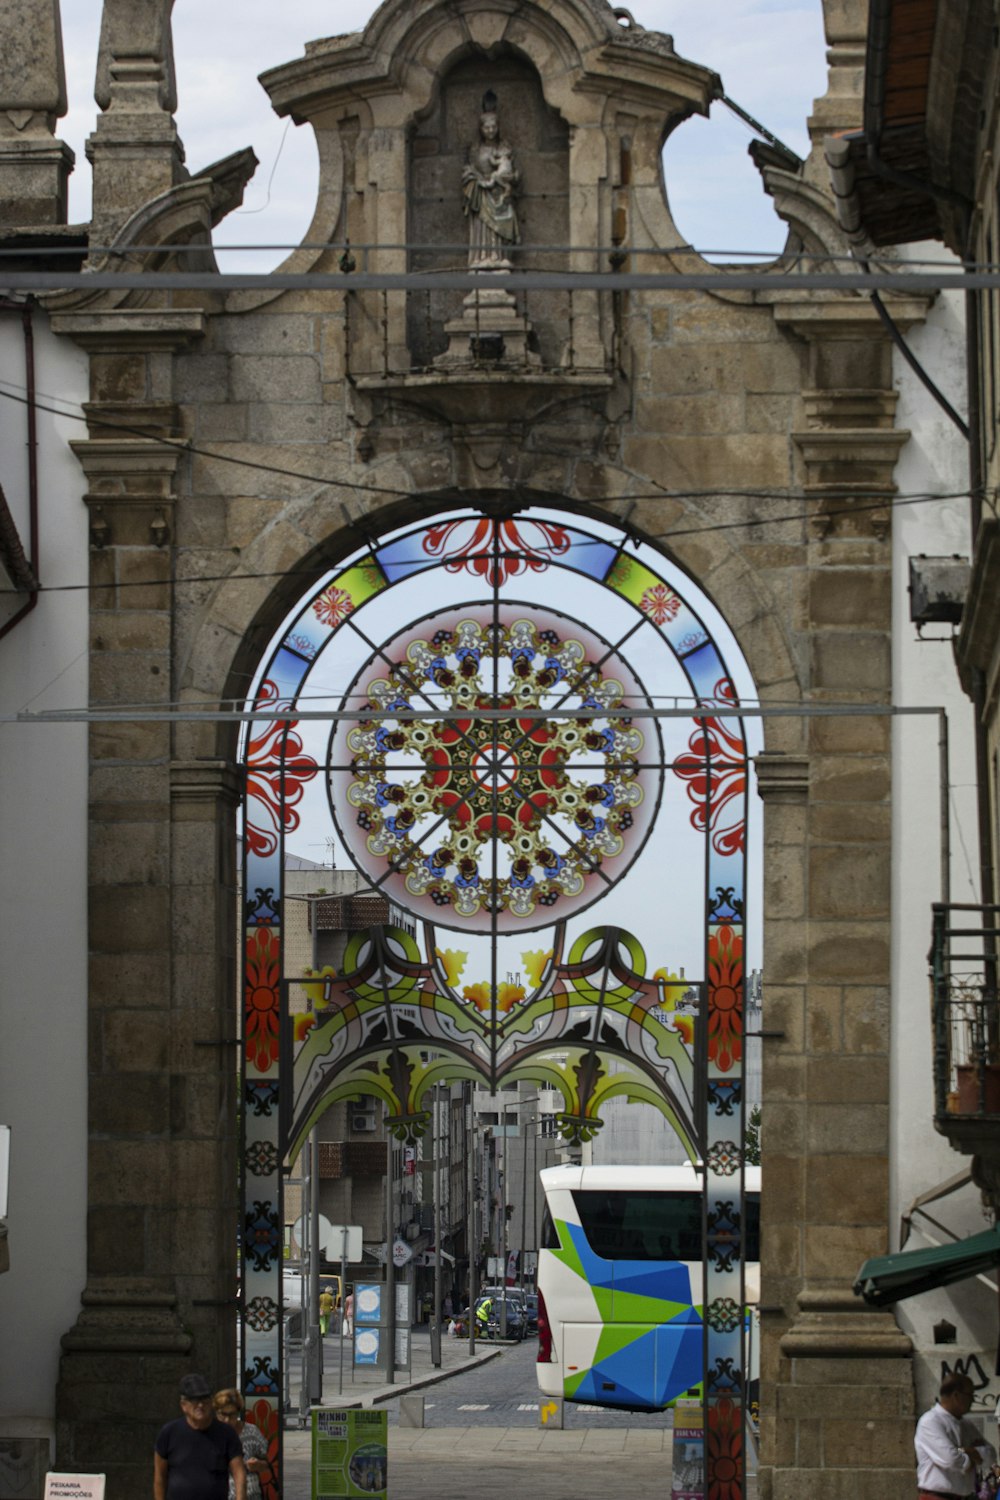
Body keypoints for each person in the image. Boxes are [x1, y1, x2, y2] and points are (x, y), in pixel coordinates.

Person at [154, 1373, 246, 1500]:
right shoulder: (169, 1433)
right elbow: (160, 1477)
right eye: (194, 1401)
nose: (200, 1405)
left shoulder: (227, 1434)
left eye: (205, 1400)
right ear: (183, 1405)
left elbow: (239, 1472)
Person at [915, 1373, 996, 1500]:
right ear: (956, 1396)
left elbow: (991, 1454)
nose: (973, 1400)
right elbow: (951, 1459)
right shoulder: (931, 1421)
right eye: (970, 1395)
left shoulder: (966, 1425)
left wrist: (962, 1451)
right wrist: (967, 1455)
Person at [462, 90, 519, 269]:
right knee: (483, 227)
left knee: (504, 223)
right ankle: (482, 257)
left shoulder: (504, 147)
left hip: (500, 194)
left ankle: (500, 256)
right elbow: (467, 170)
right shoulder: (475, 149)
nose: (491, 130)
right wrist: (477, 180)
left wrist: (514, 177)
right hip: (482, 194)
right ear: (481, 128)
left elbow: (514, 171)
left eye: (494, 127)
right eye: (487, 127)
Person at [213, 1389, 270, 1500]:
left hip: (251, 1495)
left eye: (232, 1415)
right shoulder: (211, 1434)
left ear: (238, 1412)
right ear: (216, 1412)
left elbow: (268, 1463)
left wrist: (258, 1464)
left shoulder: (251, 1432)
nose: (227, 1420)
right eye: (223, 1414)